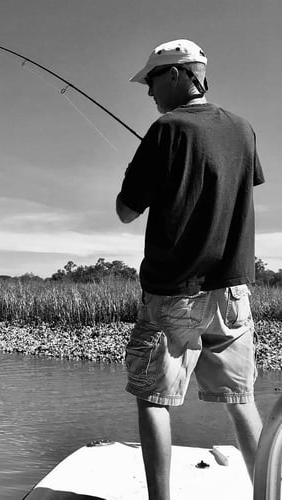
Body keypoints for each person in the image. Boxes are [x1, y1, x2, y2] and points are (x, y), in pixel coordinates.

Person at [116, 39, 265, 500]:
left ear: (180, 74)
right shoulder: (244, 130)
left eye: (153, 80)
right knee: (241, 401)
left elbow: (125, 210)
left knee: (154, 399)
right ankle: (271, 492)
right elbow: (240, 181)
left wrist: (139, 172)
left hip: (174, 293)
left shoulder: (165, 130)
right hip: (233, 294)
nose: (148, 92)